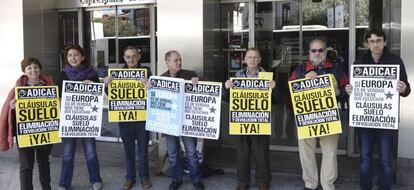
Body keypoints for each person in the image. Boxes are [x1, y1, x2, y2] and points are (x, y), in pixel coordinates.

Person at [345, 29, 411, 190]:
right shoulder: (359, 63)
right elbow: (353, 91)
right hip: (365, 121)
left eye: (379, 40)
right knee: (365, 159)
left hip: (385, 121)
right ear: (367, 44)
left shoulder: (396, 62)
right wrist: (349, 90)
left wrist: (403, 89)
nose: (375, 44)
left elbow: (407, 90)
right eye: (372, 41)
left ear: (385, 42)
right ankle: (365, 187)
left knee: (386, 160)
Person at [289, 39, 348, 190]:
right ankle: (310, 183)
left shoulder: (337, 69)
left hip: (329, 117)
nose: (317, 53)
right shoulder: (300, 69)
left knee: (329, 152)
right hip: (306, 117)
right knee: (306, 152)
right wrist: (303, 79)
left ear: (325, 52)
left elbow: (347, 92)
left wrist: (339, 92)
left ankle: (328, 184)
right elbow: (291, 90)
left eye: (320, 50)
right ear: (309, 53)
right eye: (314, 50)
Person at [224, 48, 276, 190]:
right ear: (244, 60)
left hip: (260, 121)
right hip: (241, 120)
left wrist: (274, 87)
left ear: (259, 60)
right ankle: (242, 183)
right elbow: (228, 100)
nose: (252, 60)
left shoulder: (267, 76)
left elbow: (276, 100)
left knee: (262, 154)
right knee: (242, 153)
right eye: (250, 57)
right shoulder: (237, 76)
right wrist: (227, 88)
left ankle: (263, 182)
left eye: (255, 57)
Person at [0, 58, 53, 190]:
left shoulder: (49, 86)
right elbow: (7, 110)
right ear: (24, 71)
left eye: (35, 67)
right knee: (26, 165)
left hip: (44, 131)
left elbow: (55, 108)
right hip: (25, 132)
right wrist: (12, 106)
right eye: (29, 68)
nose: (33, 70)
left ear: (39, 69)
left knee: (44, 162)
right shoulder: (17, 89)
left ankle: (46, 188)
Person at [103, 46, 152, 190]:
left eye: (134, 56)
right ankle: (130, 178)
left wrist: (149, 84)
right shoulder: (117, 74)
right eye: (128, 57)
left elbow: (153, 91)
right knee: (128, 149)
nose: (131, 59)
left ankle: (144, 177)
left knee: (143, 150)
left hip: (142, 118)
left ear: (139, 57)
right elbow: (109, 94)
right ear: (124, 58)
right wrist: (106, 84)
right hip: (124, 118)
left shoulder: (147, 72)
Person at [56, 45, 103, 190]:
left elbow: (98, 96)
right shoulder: (62, 75)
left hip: (87, 122)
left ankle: (96, 180)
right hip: (69, 121)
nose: (73, 58)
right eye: (70, 55)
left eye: (76, 55)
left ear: (82, 57)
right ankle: (64, 183)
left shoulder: (92, 74)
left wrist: (93, 85)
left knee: (90, 152)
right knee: (68, 154)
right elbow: (58, 98)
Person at [157, 50, 205, 190]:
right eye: (175, 60)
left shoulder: (190, 74)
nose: (179, 62)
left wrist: (199, 80)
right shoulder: (161, 79)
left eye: (180, 59)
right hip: (170, 123)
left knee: (192, 153)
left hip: (187, 122)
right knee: (172, 154)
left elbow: (207, 83)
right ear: (167, 62)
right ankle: (176, 179)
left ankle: (196, 179)